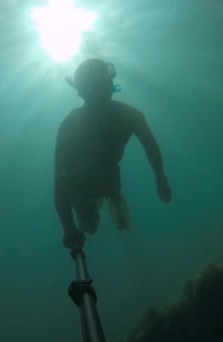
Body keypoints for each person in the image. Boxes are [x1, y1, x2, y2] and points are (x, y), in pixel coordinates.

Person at [54, 58, 173, 249]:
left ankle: (96, 213)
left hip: (93, 182)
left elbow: (60, 181)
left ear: (82, 91)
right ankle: (99, 211)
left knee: (90, 225)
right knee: (91, 225)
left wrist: (68, 228)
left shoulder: (71, 125)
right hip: (92, 183)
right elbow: (150, 147)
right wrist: (161, 181)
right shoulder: (128, 115)